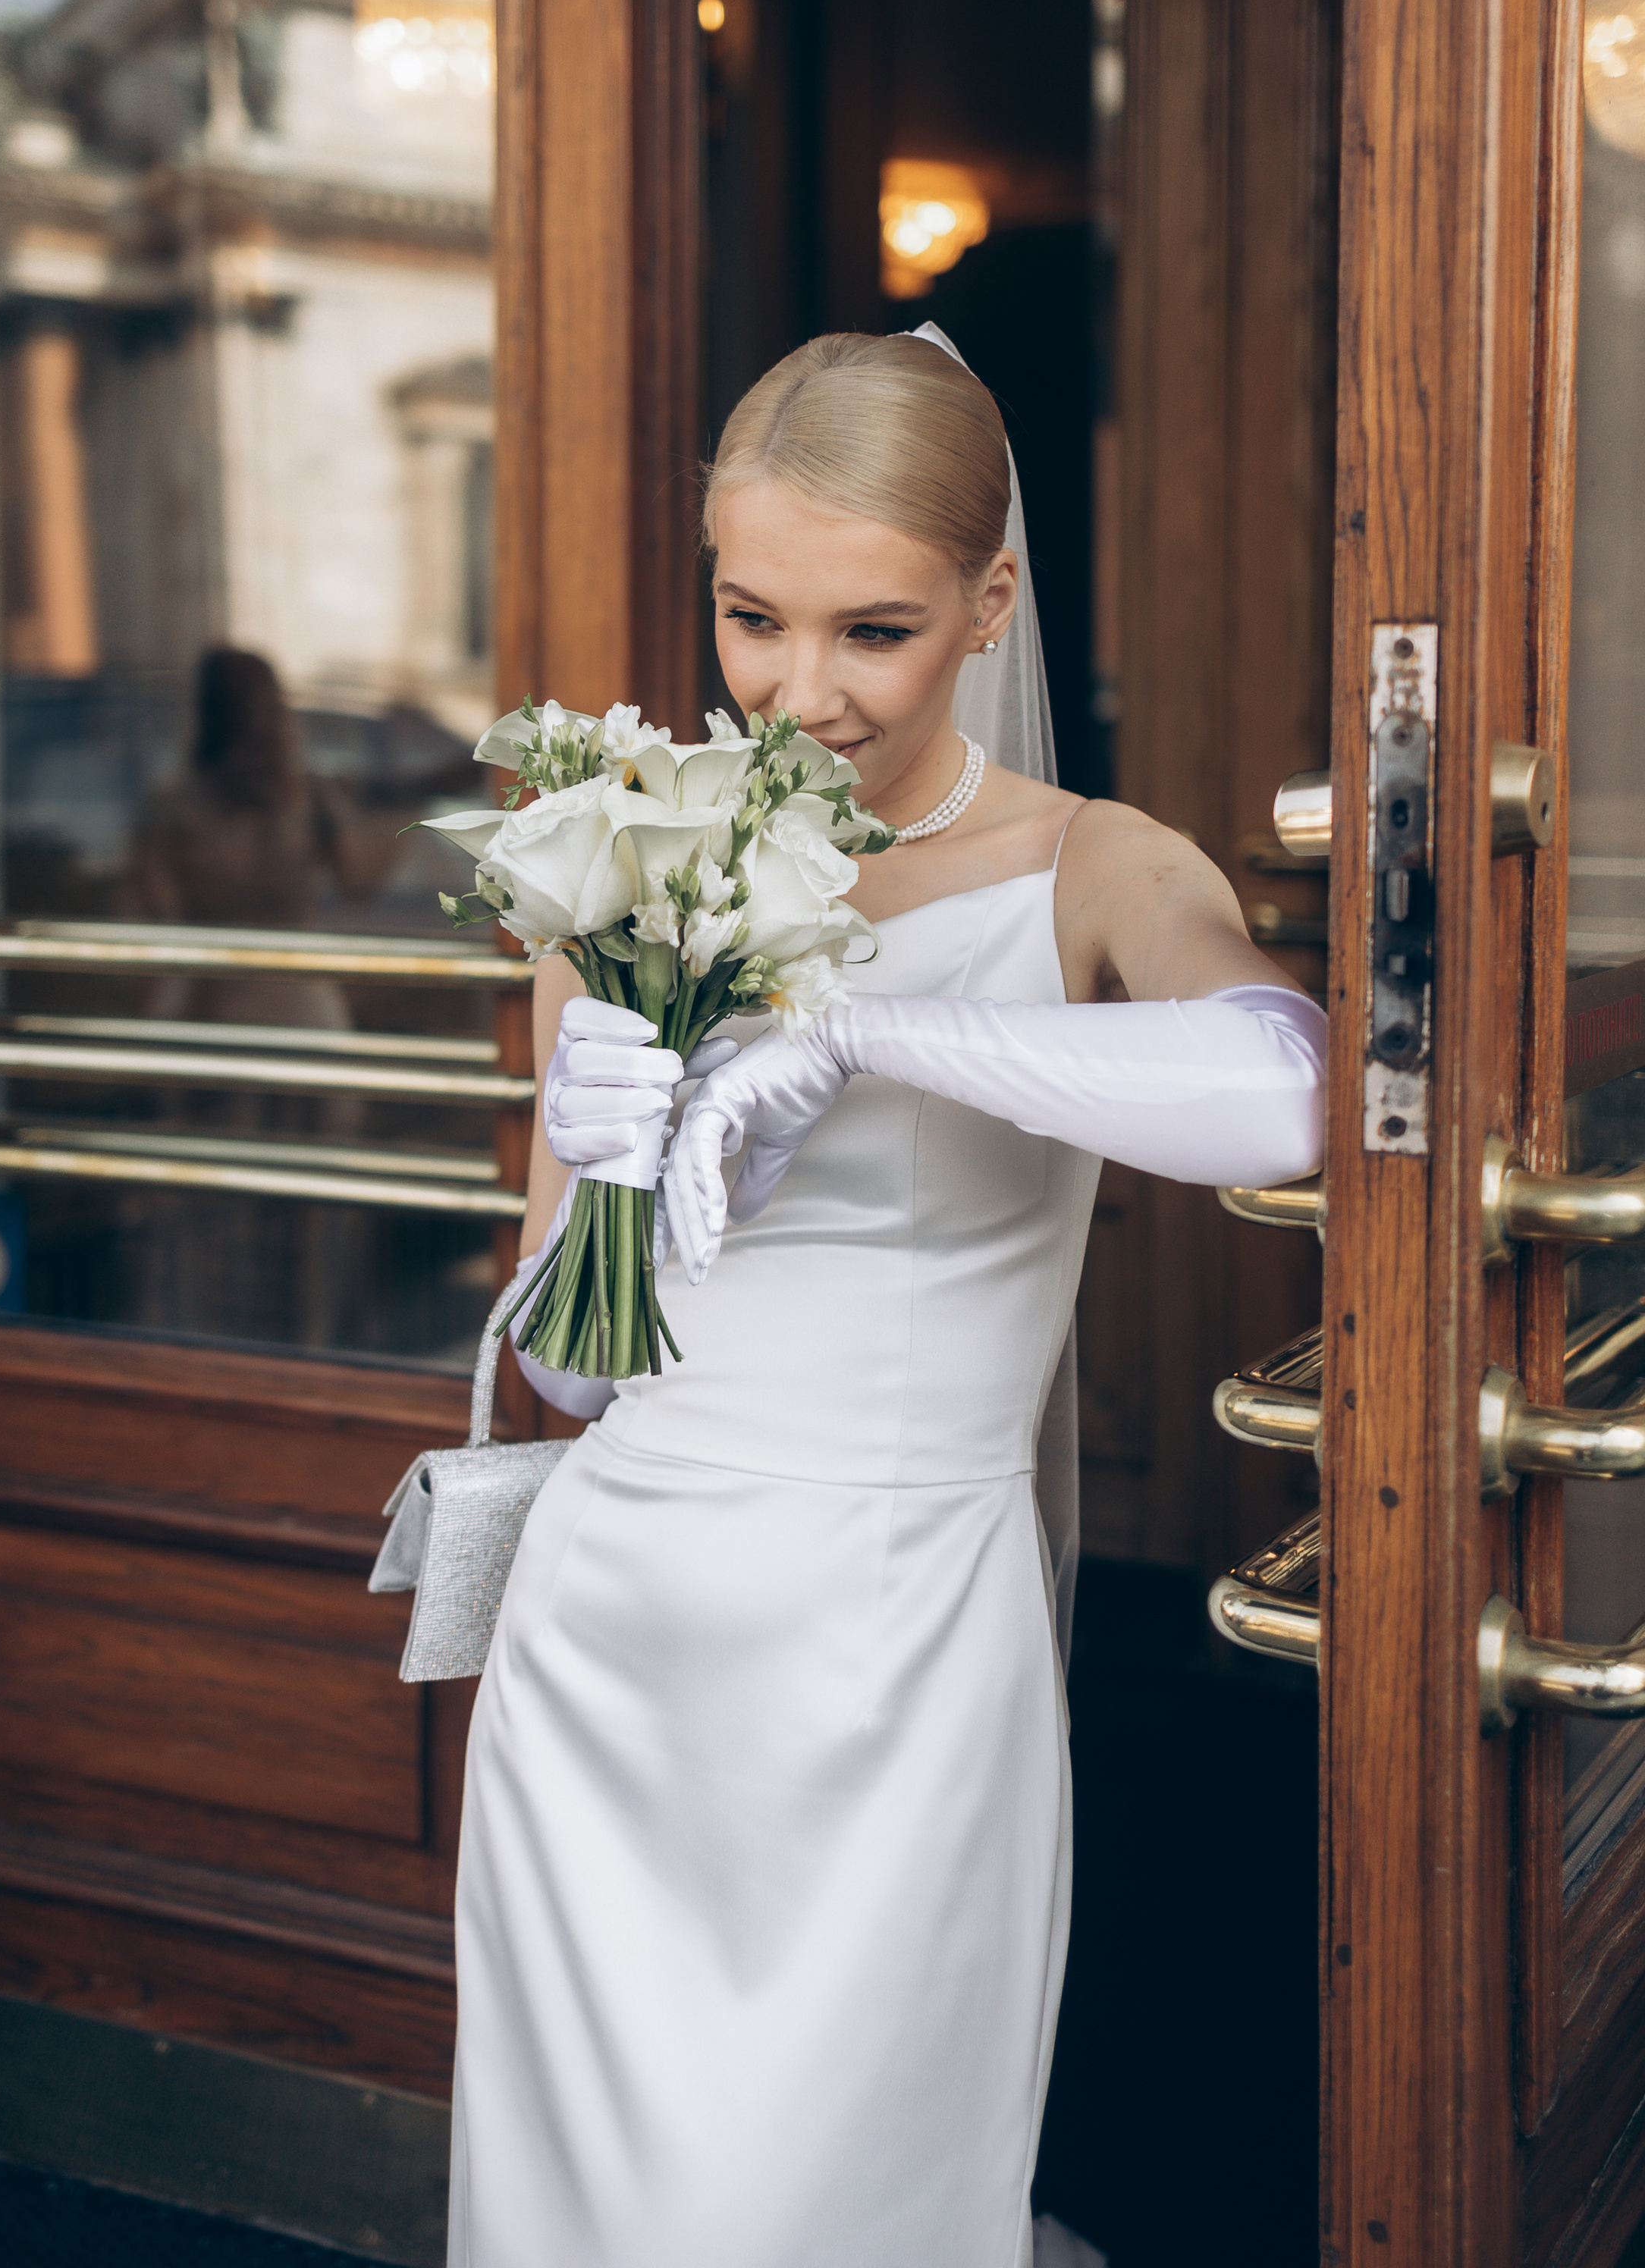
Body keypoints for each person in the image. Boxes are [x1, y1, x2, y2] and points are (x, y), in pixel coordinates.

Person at [447, 330, 1326, 2268]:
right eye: (752, 618)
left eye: (875, 629)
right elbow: (574, 1382)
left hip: (897, 1651)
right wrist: (598, 1177)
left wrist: (874, 1039)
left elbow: (1299, 1089)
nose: (797, 691)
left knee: (839, 2194)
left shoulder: (1094, 864)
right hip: (612, 1648)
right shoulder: (624, 869)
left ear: (987, 603)